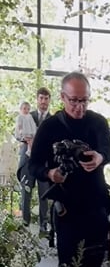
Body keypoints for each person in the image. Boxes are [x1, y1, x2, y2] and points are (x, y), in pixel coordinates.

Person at [29, 72, 110, 267]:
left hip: (96, 205)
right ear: (62, 97)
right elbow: (33, 166)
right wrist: (50, 173)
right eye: (74, 100)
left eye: (85, 100)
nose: (80, 107)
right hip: (67, 209)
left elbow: (109, 151)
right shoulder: (51, 126)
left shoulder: (98, 122)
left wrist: (100, 157)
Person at [16, 87, 52, 233]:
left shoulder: (53, 120)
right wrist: (22, 137)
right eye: (41, 98)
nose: (43, 101)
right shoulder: (26, 115)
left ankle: (43, 225)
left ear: (49, 100)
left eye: (46, 98)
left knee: (43, 194)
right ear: (37, 99)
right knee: (26, 192)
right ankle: (25, 224)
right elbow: (17, 134)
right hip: (28, 160)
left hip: (44, 163)